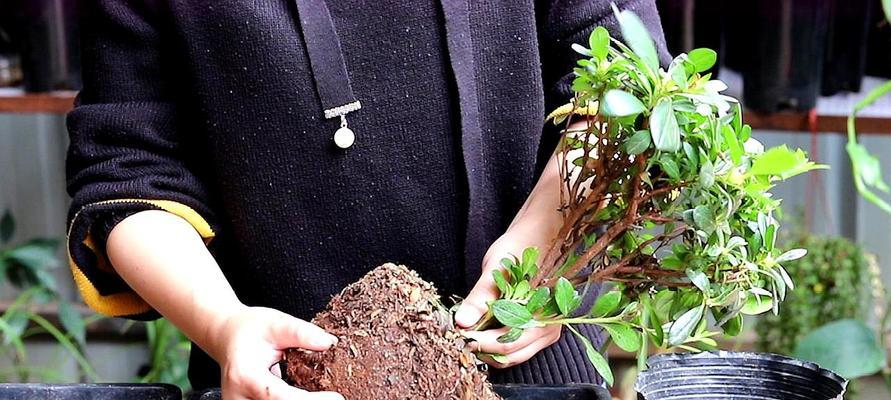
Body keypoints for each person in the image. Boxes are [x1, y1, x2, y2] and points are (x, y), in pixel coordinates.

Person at [65, 0, 668, 398]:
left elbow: (637, 92)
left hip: (530, 370)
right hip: (288, 379)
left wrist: (545, 251)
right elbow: (127, 173)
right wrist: (226, 326)